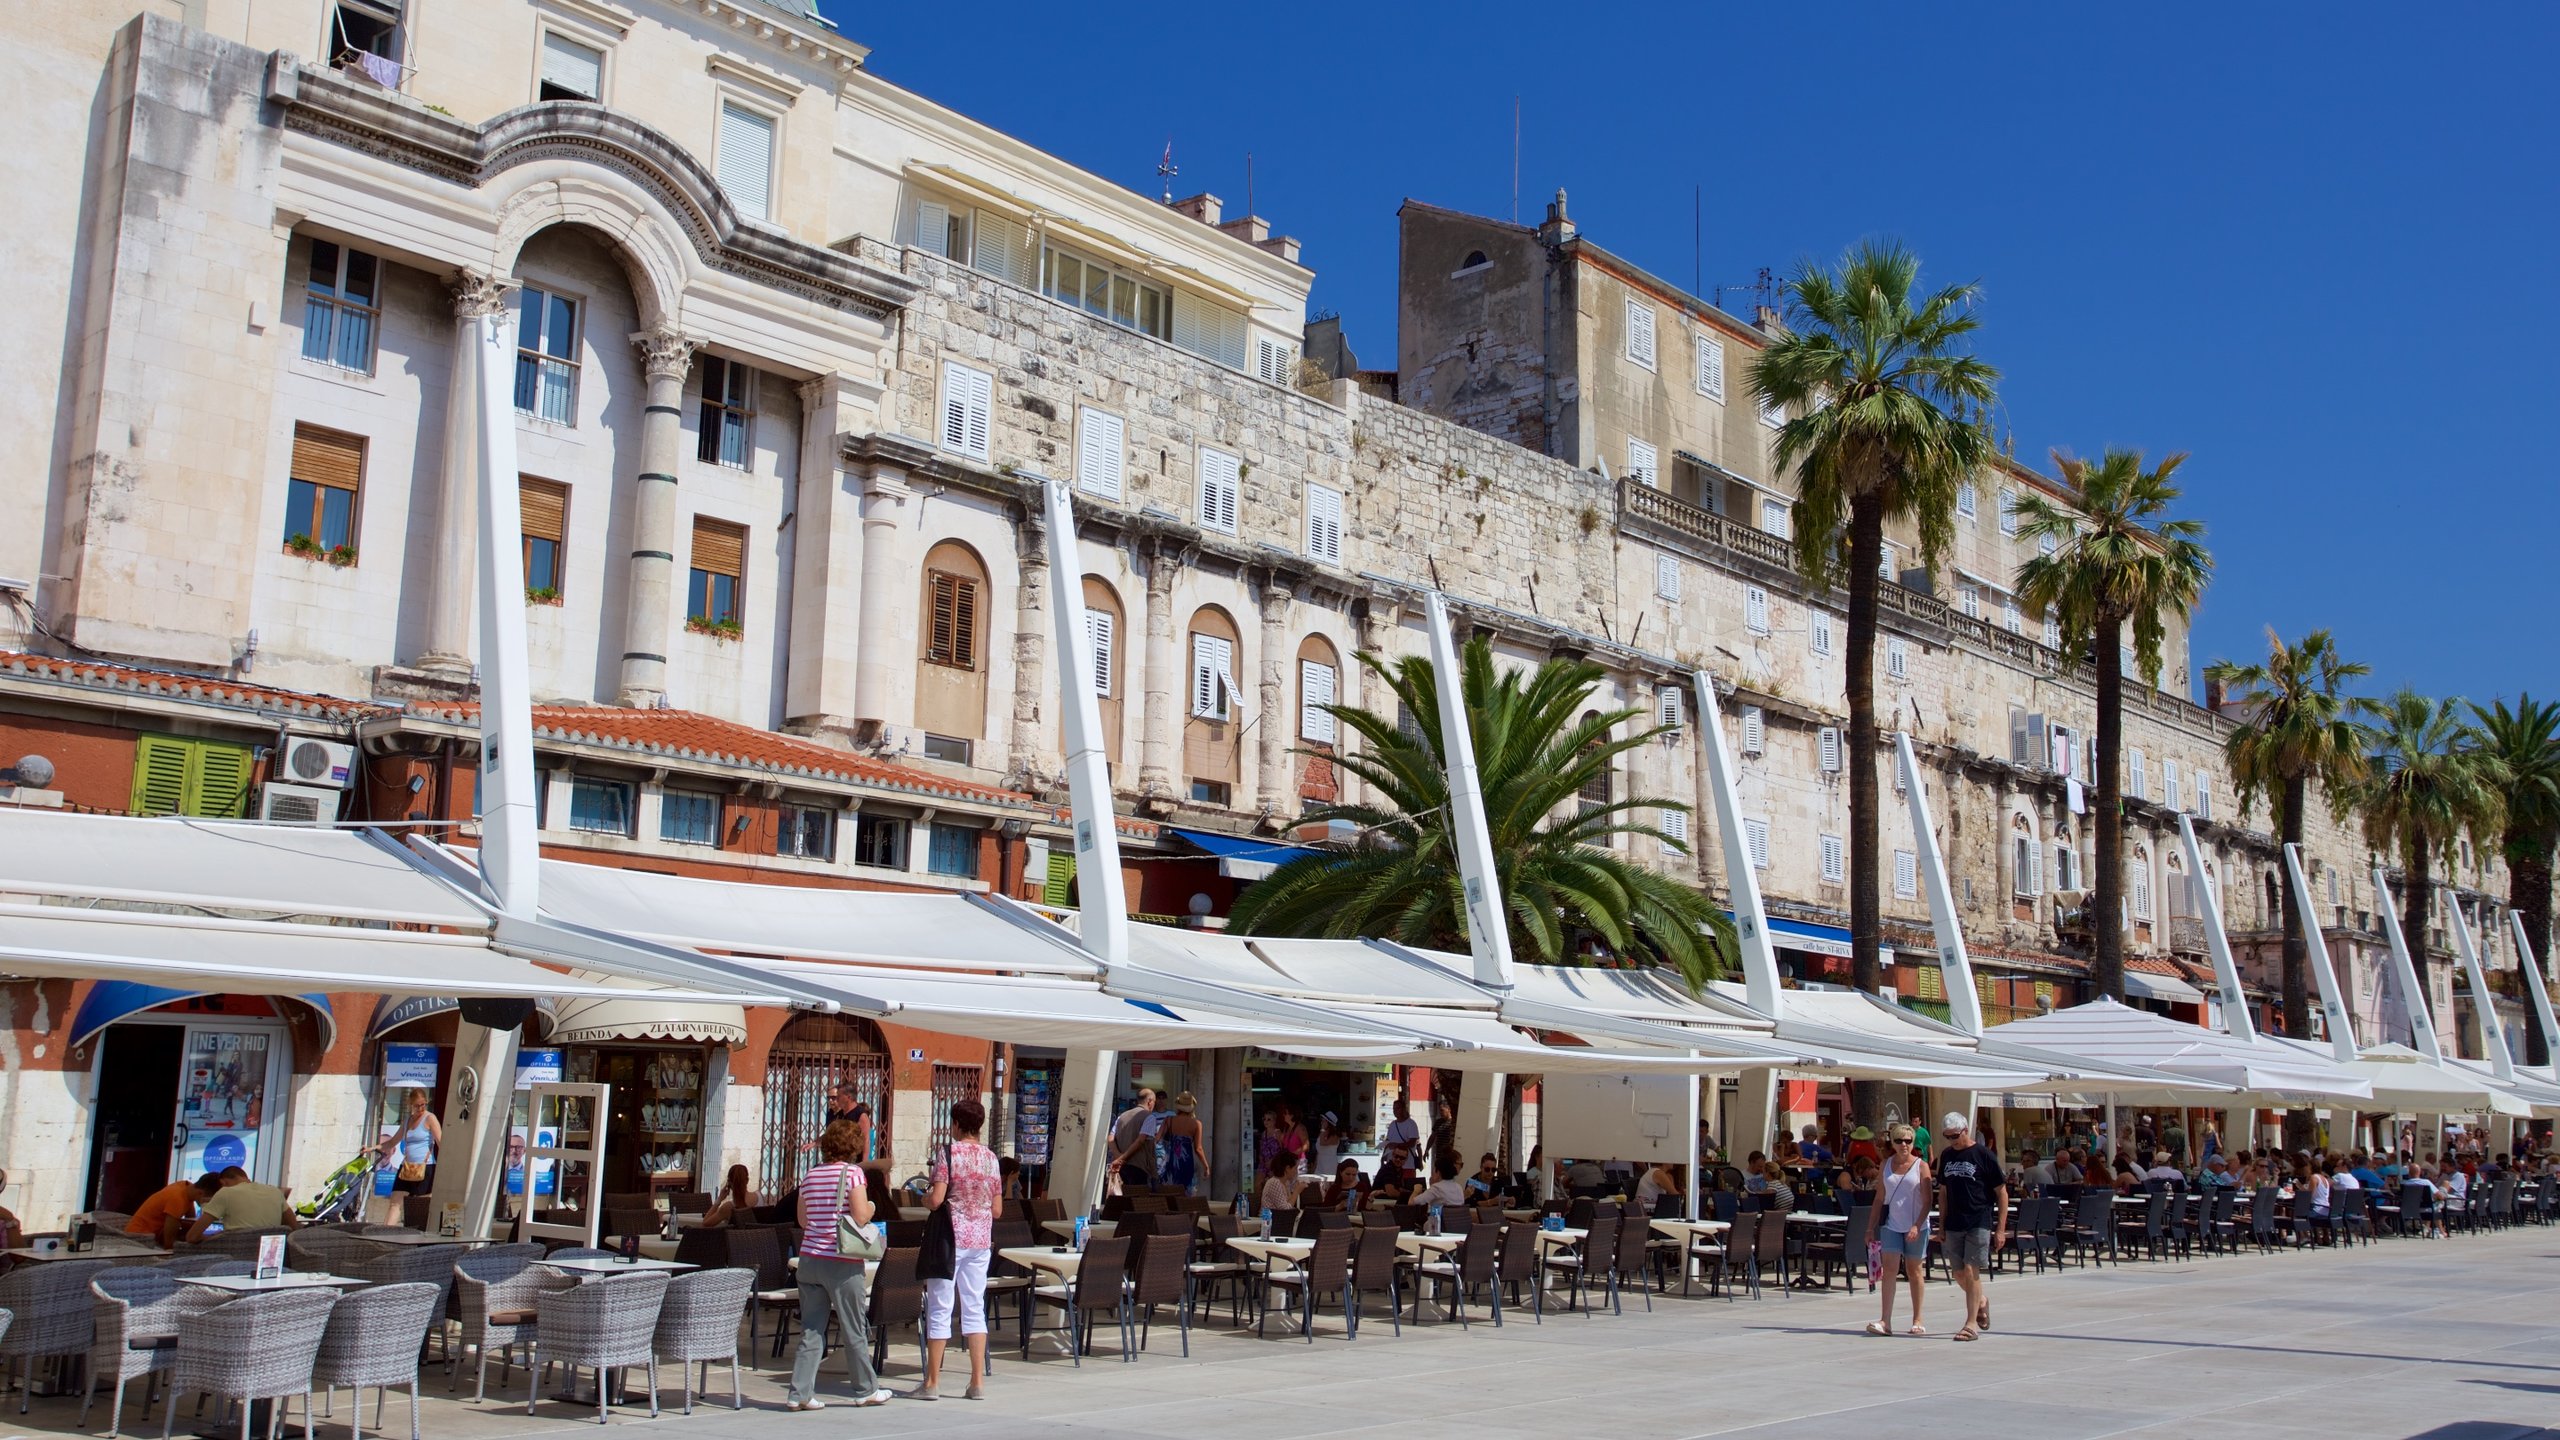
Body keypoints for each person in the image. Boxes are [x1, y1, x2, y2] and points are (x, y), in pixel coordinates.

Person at [787, 1119, 891, 1411]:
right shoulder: (853, 1174)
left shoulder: (810, 1175)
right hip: (841, 1261)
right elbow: (859, 1216)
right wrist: (871, 1207)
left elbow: (803, 1221)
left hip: (809, 1259)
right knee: (853, 1326)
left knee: (811, 1329)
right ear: (853, 1146)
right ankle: (866, 1389)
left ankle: (800, 1393)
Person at [919, 1098, 999, 1402]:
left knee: (940, 1307)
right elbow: (998, 1208)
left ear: (956, 1124)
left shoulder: (948, 1153)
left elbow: (937, 1199)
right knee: (974, 1307)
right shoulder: (991, 1158)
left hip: (950, 1239)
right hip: (980, 1241)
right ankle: (977, 1382)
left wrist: (926, 1198)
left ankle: (932, 1382)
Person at [1933, 1112, 2007, 1342]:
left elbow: (2001, 1192)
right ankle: (1982, 1301)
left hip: (1978, 1219)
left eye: (1955, 1135)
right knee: (1957, 1272)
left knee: (1970, 1270)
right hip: (1954, 1220)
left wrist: (2000, 1228)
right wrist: (1941, 1224)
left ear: (1966, 1129)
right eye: (1948, 1136)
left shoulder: (1983, 1154)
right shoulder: (1946, 1156)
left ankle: (1970, 1323)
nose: (1952, 1140)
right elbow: (1943, 1192)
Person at [1866, 1123, 1931, 1337]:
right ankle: (1885, 1320)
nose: (1904, 1145)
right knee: (1889, 1271)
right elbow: (1879, 1197)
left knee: (1914, 1271)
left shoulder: (1921, 1166)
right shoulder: (1885, 1164)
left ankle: (1918, 1319)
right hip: (1892, 1224)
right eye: (1899, 1141)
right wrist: (1870, 1227)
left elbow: (1928, 1200)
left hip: (1916, 1226)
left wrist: (1916, 1224)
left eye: (1908, 1141)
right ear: (1892, 1143)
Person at [186, 1166, 295, 1241]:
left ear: (223, 1183)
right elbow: (294, 1226)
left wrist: (216, 1237)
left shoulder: (226, 1192)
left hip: (232, 1256)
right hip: (268, 1256)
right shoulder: (275, 1191)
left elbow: (192, 1236)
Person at [374, 1087, 441, 1198]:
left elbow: (441, 1142)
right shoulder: (407, 1121)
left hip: (425, 1167)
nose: (420, 1108)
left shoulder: (430, 1118)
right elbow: (392, 1142)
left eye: (423, 1104)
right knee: (395, 1203)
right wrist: (371, 1148)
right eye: (417, 1105)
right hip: (407, 1167)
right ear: (410, 1104)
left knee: (420, 1205)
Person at [128, 1173, 222, 1247]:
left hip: (151, 1237)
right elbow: (169, 1240)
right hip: (141, 1239)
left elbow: (190, 1221)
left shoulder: (186, 1187)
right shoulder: (176, 1198)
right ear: (201, 1193)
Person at [1108, 1087, 1158, 1191]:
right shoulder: (1149, 1117)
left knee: (1124, 1198)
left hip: (1122, 1168)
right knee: (1138, 1200)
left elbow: (1110, 1138)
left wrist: (1118, 1157)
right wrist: (1122, 1159)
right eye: (1154, 1102)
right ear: (1149, 1102)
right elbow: (1141, 1140)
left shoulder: (1121, 1116)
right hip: (1139, 1166)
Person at [1157, 1091, 1204, 1195]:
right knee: (1186, 1192)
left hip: (1170, 1160)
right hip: (1186, 1161)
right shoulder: (1197, 1124)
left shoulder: (1169, 1120)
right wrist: (1206, 1166)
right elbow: (1198, 1148)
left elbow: (1156, 1139)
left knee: (1170, 1192)